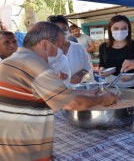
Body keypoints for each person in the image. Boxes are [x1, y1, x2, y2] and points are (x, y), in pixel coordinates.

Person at [0, 22, 118, 160]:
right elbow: (72, 104)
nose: (62, 51)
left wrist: (88, 93)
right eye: (59, 46)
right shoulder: (35, 66)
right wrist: (103, 99)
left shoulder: (15, 60)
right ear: (45, 44)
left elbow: (54, 94)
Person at [98, 15, 134, 90]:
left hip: (133, 88)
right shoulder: (103, 47)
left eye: (124, 28)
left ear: (128, 30)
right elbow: (102, 64)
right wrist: (102, 71)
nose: (120, 31)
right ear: (110, 30)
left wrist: (133, 75)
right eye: (116, 28)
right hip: (110, 87)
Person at [48, 15, 92, 85]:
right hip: (58, 92)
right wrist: (55, 77)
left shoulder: (78, 48)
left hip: (80, 90)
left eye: (64, 29)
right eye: (57, 30)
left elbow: (87, 66)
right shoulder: (47, 52)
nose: (61, 32)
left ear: (68, 29)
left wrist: (80, 74)